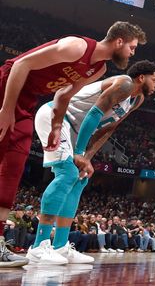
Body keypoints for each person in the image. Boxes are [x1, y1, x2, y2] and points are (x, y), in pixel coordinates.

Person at [0, 21, 146, 267]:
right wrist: (5, 109)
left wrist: (57, 126)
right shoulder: (76, 47)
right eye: (132, 47)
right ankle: (42, 245)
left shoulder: (97, 69)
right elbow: (20, 64)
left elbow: (63, 95)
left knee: (13, 168)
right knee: (60, 171)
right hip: (7, 87)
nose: (132, 53)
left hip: (28, 101)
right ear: (119, 41)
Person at [25, 60, 155, 265]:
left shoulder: (137, 99)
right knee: (68, 174)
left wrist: (87, 157)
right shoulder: (124, 83)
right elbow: (94, 114)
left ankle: (60, 246)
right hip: (57, 117)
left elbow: (108, 129)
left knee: (79, 179)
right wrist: (79, 152)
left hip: (74, 130)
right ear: (142, 78)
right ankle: (38, 246)